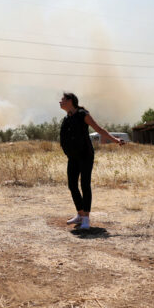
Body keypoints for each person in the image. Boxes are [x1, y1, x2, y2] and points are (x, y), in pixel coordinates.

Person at [59, 92, 124, 230]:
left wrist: (115, 140)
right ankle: (80, 214)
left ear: (70, 101)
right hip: (72, 157)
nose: (60, 102)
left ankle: (86, 219)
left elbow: (99, 129)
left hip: (85, 155)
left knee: (85, 184)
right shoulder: (67, 118)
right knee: (72, 185)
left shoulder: (83, 114)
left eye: (63, 99)